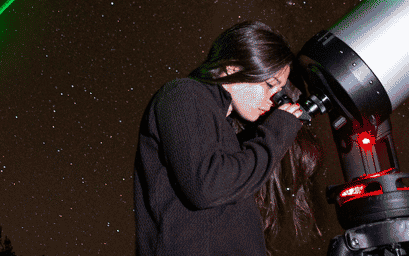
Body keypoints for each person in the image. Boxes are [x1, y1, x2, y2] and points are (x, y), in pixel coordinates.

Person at [134, 20, 320, 256]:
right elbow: (206, 187)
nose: (274, 99)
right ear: (232, 68)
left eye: (279, 91)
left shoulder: (230, 133)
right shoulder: (183, 94)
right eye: (270, 84)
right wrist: (276, 133)